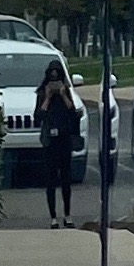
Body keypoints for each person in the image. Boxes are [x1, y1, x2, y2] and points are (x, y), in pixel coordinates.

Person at [33, 63, 85, 225]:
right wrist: (48, 97)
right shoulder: (42, 93)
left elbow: (72, 112)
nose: (54, 82)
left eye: (57, 77)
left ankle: (67, 215)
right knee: (50, 180)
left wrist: (63, 94)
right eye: (52, 77)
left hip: (64, 140)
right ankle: (53, 217)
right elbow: (38, 115)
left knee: (66, 180)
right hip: (50, 142)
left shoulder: (66, 92)